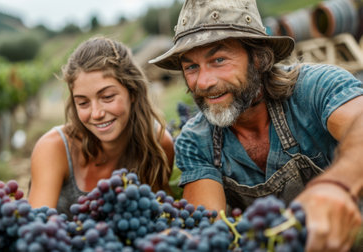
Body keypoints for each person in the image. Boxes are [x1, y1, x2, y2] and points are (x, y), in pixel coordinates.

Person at [149, 0, 362, 251]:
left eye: (218, 60)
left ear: (259, 58)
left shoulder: (316, 88)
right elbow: (209, 230)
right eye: (192, 67)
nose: (203, 82)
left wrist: (337, 185)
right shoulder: (196, 141)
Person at [28, 37, 174, 219]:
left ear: (133, 92)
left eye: (107, 97)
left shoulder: (158, 144)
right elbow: (35, 229)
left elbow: (151, 223)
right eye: (83, 102)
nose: (96, 113)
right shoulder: (53, 148)